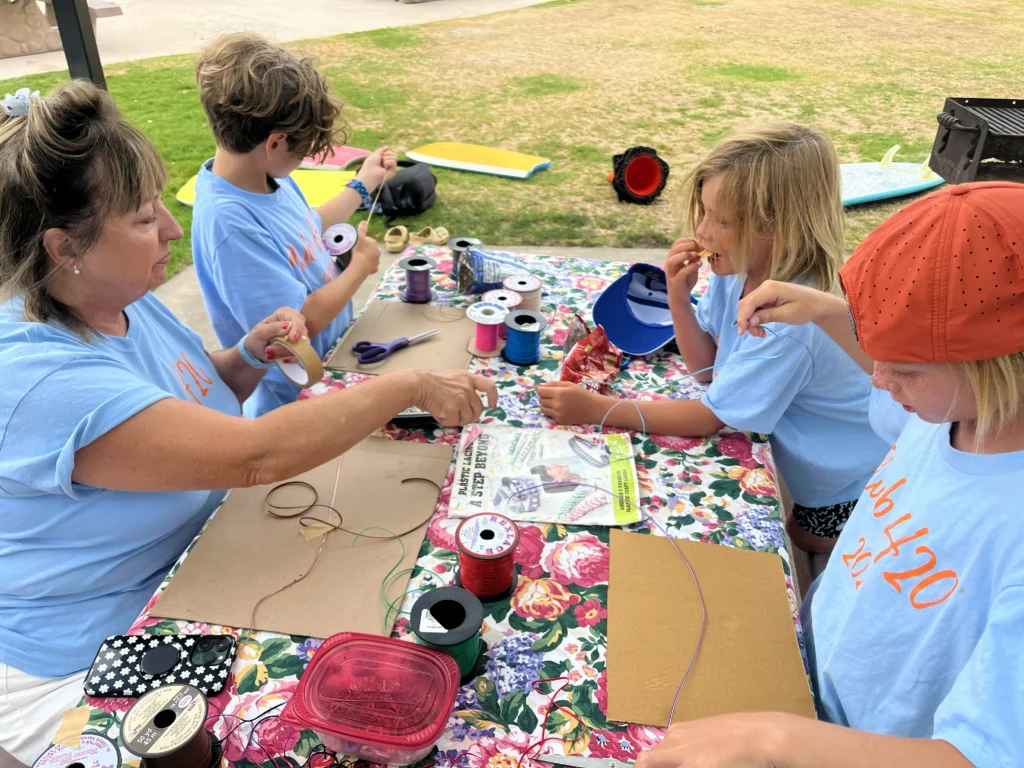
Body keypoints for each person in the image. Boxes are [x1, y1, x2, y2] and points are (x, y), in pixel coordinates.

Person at [0, 82, 495, 764]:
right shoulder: (38, 379)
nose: (173, 230)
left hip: (203, 565)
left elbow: (196, 393)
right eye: (145, 220)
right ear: (63, 246)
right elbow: (253, 457)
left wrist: (244, 356)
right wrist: (406, 385)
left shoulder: (118, 300)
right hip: (88, 654)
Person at [638, 182, 1024, 768]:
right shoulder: (947, 409)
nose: (878, 378)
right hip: (806, 667)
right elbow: (908, 368)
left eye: (906, 370)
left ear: (1002, 369)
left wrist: (778, 742)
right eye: (879, 354)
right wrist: (828, 311)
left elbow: (983, 755)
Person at [540, 124, 888, 554]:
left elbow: (709, 416)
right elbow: (707, 370)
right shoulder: (738, 268)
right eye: (703, 211)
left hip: (844, 470)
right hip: (792, 440)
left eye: (720, 220)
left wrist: (599, 409)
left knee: (806, 540)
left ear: (779, 228)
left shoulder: (790, 323)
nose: (701, 232)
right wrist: (677, 297)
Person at [190, 31, 398, 416]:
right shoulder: (230, 225)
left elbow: (306, 225)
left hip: (333, 368)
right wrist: (359, 269)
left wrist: (364, 182)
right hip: (294, 399)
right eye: (302, 152)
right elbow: (298, 327)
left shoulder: (265, 177)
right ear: (274, 143)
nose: (302, 160)